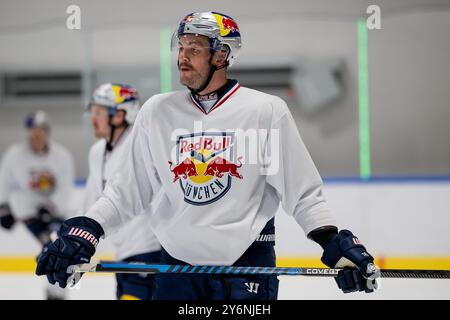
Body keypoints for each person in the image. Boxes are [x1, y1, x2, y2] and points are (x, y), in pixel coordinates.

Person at [36, 12, 380, 299]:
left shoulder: (265, 111)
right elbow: (127, 190)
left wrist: (330, 240)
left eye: (195, 48)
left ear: (221, 55)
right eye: (182, 47)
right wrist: (86, 231)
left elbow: (301, 193)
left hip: (247, 268)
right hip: (176, 270)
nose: (183, 56)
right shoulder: (157, 112)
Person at [83, 83, 161, 300]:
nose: (93, 119)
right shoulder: (97, 152)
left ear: (118, 116)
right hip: (123, 255)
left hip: (151, 252)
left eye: (98, 112)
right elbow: (90, 204)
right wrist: (61, 238)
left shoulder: (144, 145)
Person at [0, 110, 75, 299]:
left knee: (57, 246)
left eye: (40, 130)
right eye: (33, 130)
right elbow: (4, 182)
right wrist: (4, 207)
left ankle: (56, 289)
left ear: (47, 132)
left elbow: (65, 187)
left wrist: (51, 208)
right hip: (30, 213)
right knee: (52, 245)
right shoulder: (15, 155)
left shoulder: (62, 155)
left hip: (56, 213)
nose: (36, 135)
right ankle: (55, 290)